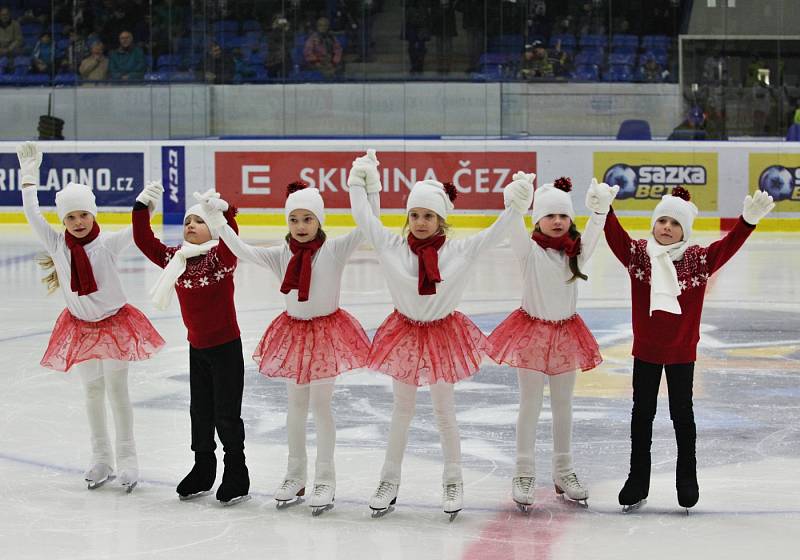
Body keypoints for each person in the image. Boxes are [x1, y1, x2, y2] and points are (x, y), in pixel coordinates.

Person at [348, 152, 534, 519]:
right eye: (415, 215)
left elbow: (497, 232)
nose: (419, 222)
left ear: (442, 220)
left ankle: (453, 479)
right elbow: (363, 218)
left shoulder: (459, 251)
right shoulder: (392, 245)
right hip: (404, 334)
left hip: (443, 336)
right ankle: (389, 480)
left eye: (428, 215)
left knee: (444, 412)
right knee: (401, 411)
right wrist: (358, 181)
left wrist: (518, 203)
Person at [201, 173, 379, 515]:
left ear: (319, 220)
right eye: (294, 219)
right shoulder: (281, 254)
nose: (300, 225)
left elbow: (369, 226)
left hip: (327, 335)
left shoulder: (335, 249)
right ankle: (295, 475)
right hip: (295, 335)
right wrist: (218, 221)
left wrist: (371, 188)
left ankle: (325, 479)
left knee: (321, 408)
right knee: (295, 409)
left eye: (307, 218)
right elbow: (243, 250)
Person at [592, 183, 775, 511]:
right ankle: (638, 480)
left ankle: (687, 479)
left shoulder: (698, 261)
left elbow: (728, 246)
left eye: (675, 224)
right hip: (645, 351)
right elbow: (616, 237)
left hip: (681, 353)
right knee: (641, 415)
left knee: (682, 415)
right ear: (653, 224)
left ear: (684, 231)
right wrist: (605, 212)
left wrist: (746, 222)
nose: (666, 227)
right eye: (662, 221)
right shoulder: (639, 256)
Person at [17, 142, 165, 493]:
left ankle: (128, 461)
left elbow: (138, 231)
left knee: (117, 392)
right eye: (71, 217)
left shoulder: (107, 244)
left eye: (83, 214)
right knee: (92, 393)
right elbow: (31, 213)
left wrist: (147, 206)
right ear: (63, 220)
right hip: (81, 329)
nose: (78, 222)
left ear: (93, 214)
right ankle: (102, 459)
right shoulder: (57, 245)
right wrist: (27, 177)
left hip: (114, 327)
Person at [488, 176, 617, 511]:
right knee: (529, 404)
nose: (558, 221)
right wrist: (514, 202)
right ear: (539, 220)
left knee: (563, 405)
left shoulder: (577, 253)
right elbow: (513, 224)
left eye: (563, 216)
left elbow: (594, 233)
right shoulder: (528, 252)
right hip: (531, 334)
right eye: (550, 216)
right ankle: (523, 470)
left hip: (565, 336)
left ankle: (564, 469)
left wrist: (600, 212)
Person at [131, 183, 250, 506]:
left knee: (226, 415)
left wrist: (223, 216)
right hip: (197, 349)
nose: (190, 226)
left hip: (226, 348)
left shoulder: (219, 259)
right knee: (200, 412)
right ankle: (203, 467)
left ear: (211, 228)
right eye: (187, 222)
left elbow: (232, 243)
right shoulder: (176, 260)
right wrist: (141, 209)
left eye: (198, 221)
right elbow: (144, 241)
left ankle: (236, 473)